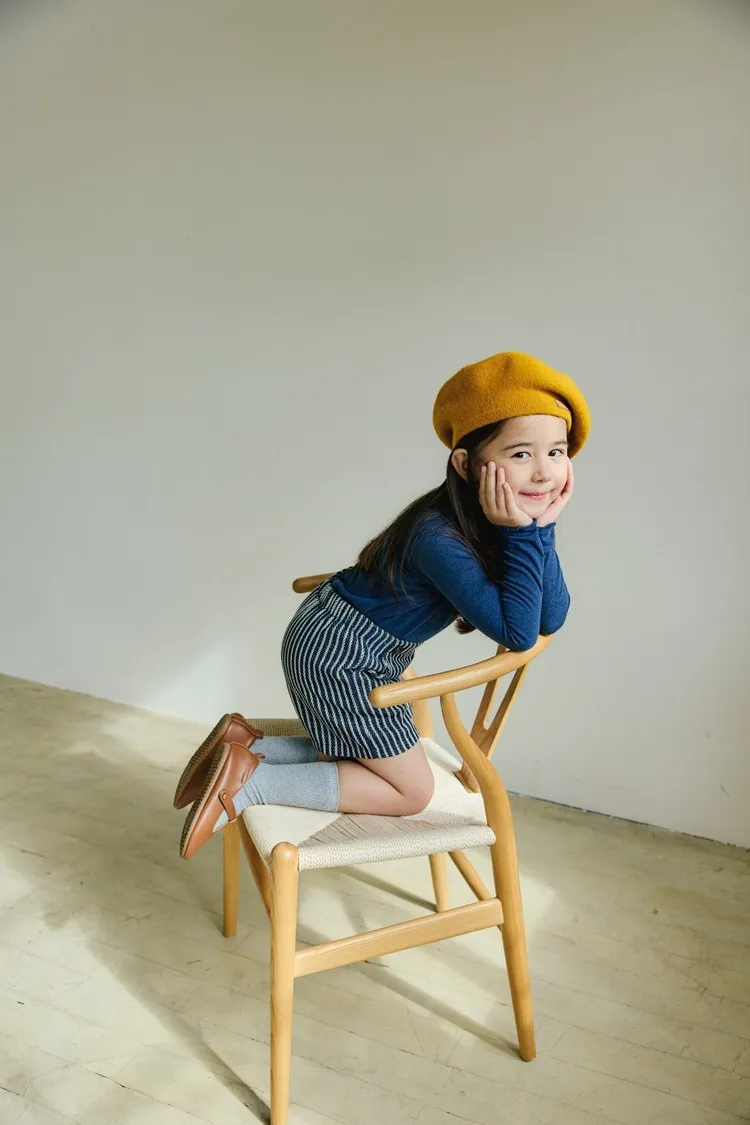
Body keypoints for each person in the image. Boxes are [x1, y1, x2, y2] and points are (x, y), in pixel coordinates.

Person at [177, 351, 590, 859]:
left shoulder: (495, 524)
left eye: (557, 452)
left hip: (357, 644)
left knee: (363, 757)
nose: (544, 473)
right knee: (411, 791)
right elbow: (519, 632)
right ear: (466, 464)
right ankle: (250, 784)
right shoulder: (438, 536)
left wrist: (540, 529)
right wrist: (526, 534)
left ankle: (248, 746)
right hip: (340, 653)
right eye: (521, 454)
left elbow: (551, 615)